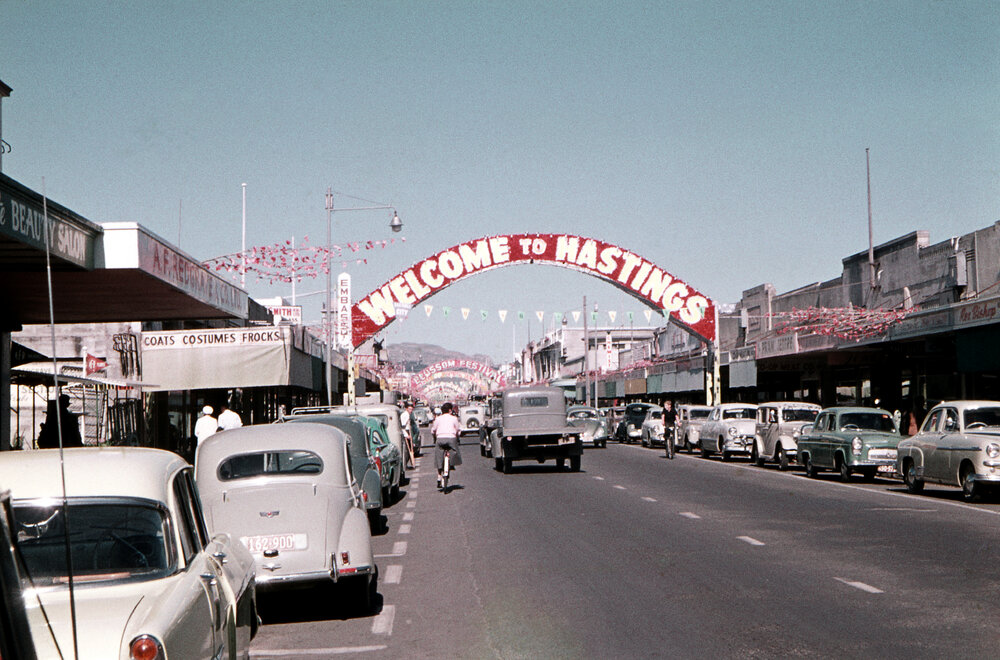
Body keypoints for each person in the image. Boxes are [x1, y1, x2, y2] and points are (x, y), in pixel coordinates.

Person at [430, 402, 462, 489]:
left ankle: (439, 477)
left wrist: (435, 437)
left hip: (440, 439)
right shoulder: (454, 418)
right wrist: (457, 436)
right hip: (451, 438)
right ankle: (451, 464)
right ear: (450, 410)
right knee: (454, 452)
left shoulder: (438, 419)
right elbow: (458, 429)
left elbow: (433, 430)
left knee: (439, 457)